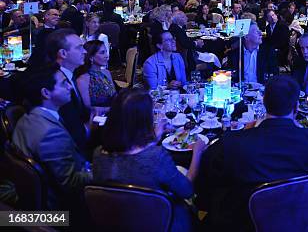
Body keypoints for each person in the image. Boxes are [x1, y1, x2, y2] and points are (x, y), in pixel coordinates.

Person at [195, 76, 308, 231]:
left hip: (247, 225)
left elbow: (204, 185)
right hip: (301, 222)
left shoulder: (233, 143)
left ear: (264, 102)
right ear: (296, 108)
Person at [93, 89, 206, 232]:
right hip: (163, 222)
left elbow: (128, 158)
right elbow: (187, 190)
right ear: (144, 120)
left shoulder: (98, 153)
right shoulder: (155, 157)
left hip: (119, 222)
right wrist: (197, 152)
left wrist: (155, 137)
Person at [12, 66, 93, 210]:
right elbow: (70, 183)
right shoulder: (50, 134)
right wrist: (101, 171)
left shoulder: (28, 117)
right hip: (57, 213)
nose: (70, 87)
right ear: (46, 93)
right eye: (63, 83)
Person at [46, 28, 90, 156]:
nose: (85, 51)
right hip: (71, 153)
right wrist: (91, 126)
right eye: (79, 48)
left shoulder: (70, 75)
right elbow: (73, 131)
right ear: (63, 53)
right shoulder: (57, 85)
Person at [75, 40, 117, 111]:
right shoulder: (83, 79)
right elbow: (87, 108)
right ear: (91, 57)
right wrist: (112, 110)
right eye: (102, 53)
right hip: (97, 118)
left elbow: (115, 96)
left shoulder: (106, 73)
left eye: (106, 52)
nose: (107, 56)